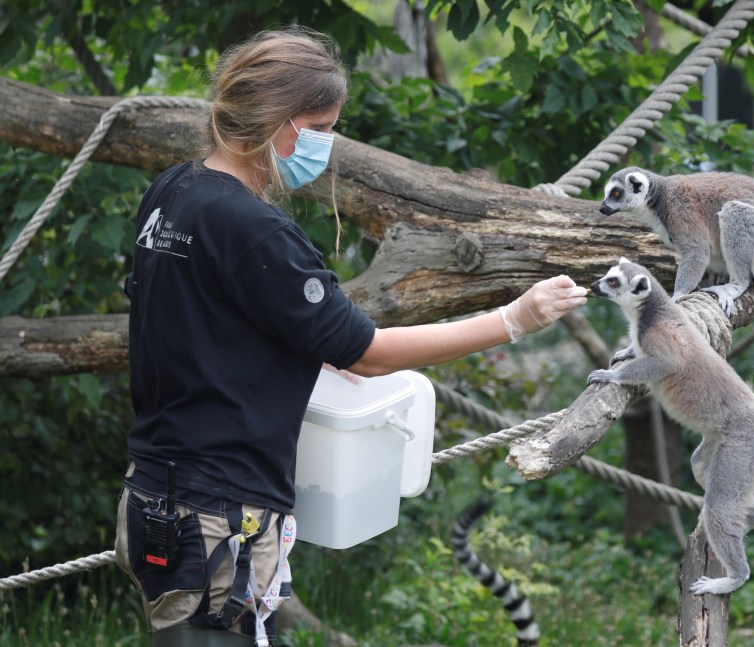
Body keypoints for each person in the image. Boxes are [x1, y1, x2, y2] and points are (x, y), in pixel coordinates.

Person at [114, 26, 588, 647]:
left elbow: (199, 321)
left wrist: (302, 349)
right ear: (284, 124)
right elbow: (367, 354)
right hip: (217, 515)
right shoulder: (252, 227)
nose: (328, 145)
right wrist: (513, 320)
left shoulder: (172, 191)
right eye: (324, 127)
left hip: (154, 489)